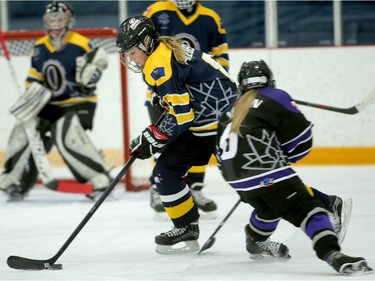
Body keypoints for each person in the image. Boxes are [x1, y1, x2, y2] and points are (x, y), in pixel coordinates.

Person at [216, 60, 373, 275]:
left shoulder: (229, 109)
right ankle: (333, 254)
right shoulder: (275, 95)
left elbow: (220, 152)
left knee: (269, 207)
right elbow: (302, 137)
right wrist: (284, 157)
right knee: (309, 209)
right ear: (269, 80)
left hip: (234, 178)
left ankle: (255, 240)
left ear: (241, 85)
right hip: (266, 172)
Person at [116, 15, 238, 254]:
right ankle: (186, 227)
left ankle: (313, 207)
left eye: (132, 52)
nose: (129, 59)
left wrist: (154, 136)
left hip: (219, 125)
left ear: (147, 43)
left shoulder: (159, 63)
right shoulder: (163, 49)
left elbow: (182, 115)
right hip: (214, 121)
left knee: (253, 183)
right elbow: (183, 96)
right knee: (166, 171)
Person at [0, 1, 111, 201]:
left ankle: (99, 179)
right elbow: (35, 78)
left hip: (79, 103)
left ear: (69, 21)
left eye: (60, 20)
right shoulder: (40, 47)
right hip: (49, 105)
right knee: (25, 126)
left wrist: (91, 73)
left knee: (65, 131)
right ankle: (14, 181)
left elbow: (93, 73)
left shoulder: (81, 43)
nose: (55, 26)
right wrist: (30, 95)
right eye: (51, 21)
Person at [142, 0, 229, 218]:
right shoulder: (158, 10)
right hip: (165, 94)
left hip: (200, 98)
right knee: (166, 139)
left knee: (198, 142)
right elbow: (143, 49)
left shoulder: (210, 17)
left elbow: (220, 58)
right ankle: (157, 189)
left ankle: (195, 189)